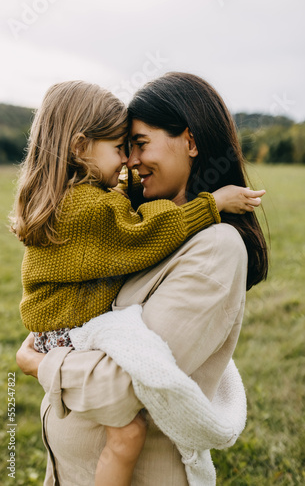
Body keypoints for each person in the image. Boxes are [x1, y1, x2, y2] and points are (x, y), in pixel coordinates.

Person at [16, 72, 269, 485]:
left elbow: (129, 386)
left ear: (189, 142)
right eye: (123, 148)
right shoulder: (135, 222)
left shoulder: (215, 248)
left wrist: (38, 364)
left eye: (138, 145)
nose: (129, 162)